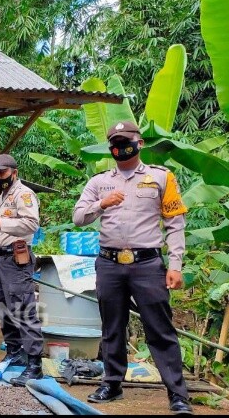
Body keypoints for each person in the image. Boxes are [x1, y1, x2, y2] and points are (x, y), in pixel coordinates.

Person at [73, 121, 193, 415]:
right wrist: (102, 203)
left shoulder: (161, 177)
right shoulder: (99, 182)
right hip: (109, 264)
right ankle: (112, 384)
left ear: (139, 143)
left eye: (126, 140)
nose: (120, 146)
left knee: (160, 329)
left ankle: (177, 394)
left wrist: (174, 264)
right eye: (115, 141)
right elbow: (78, 218)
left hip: (148, 265)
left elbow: (175, 224)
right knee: (112, 327)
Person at [0, 154, 44, 387]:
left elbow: (31, 224)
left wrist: (0, 222)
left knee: (23, 309)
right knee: (3, 308)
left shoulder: (23, 194)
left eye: (2, 173)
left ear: (14, 172)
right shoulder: (4, 196)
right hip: (1, 259)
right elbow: (3, 235)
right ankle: (14, 351)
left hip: (17, 261)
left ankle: (35, 364)